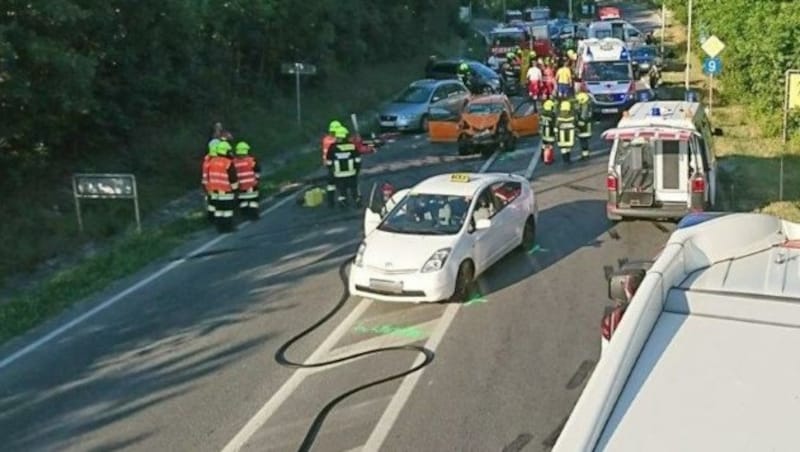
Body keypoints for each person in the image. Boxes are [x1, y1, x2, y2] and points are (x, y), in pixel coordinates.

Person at [205, 140, 239, 231]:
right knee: (227, 210)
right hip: (225, 190)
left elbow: (208, 176)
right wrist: (236, 190)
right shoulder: (227, 162)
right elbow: (233, 178)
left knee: (219, 210)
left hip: (214, 191)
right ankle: (228, 227)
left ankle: (220, 228)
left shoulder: (210, 162)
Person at [325, 126, 362, 208]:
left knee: (342, 190)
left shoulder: (333, 147)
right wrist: (357, 170)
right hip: (352, 173)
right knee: (354, 189)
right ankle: (357, 200)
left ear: (338, 136)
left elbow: (329, 162)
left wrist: (332, 171)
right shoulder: (352, 146)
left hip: (338, 175)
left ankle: (343, 202)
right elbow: (358, 160)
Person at [233, 141, 261, 219]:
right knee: (253, 200)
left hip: (240, 186)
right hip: (251, 184)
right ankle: (254, 215)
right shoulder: (251, 160)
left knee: (243, 201)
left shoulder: (234, 162)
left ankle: (246, 214)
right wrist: (257, 180)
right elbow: (257, 170)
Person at [556, 97, 576, 163]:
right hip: (569, 134)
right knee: (568, 147)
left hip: (561, 135)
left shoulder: (559, 115)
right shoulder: (572, 114)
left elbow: (556, 125)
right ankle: (568, 159)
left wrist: (555, 133)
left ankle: (565, 160)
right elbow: (574, 123)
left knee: (563, 148)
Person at [575, 92, 593, 160]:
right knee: (584, 141)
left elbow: (583, 117)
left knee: (583, 141)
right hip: (586, 126)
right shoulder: (587, 105)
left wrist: (577, 123)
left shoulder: (585, 106)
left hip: (584, 126)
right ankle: (585, 155)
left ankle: (585, 156)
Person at [201, 143, 216, 221]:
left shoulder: (206, 161)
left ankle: (211, 219)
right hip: (218, 186)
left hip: (209, 187)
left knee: (211, 204)